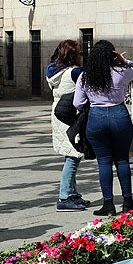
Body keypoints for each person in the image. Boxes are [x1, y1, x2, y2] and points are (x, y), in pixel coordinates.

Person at [74, 40, 133, 216]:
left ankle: (108, 204)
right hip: (119, 114)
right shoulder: (121, 71)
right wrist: (123, 60)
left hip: (96, 117)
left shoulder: (85, 75)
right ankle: (128, 202)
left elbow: (77, 103)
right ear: (112, 55)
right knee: (122, 161)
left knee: (104, 162)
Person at [46, 40, 90, 211]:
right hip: (70, 116)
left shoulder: (52, 71)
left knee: (70, 155)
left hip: (58, 113)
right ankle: (64, 197)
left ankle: (72, 193)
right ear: (72, 55)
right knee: (73, 156)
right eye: (79, 53)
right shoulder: (74, 72)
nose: (81, 56)